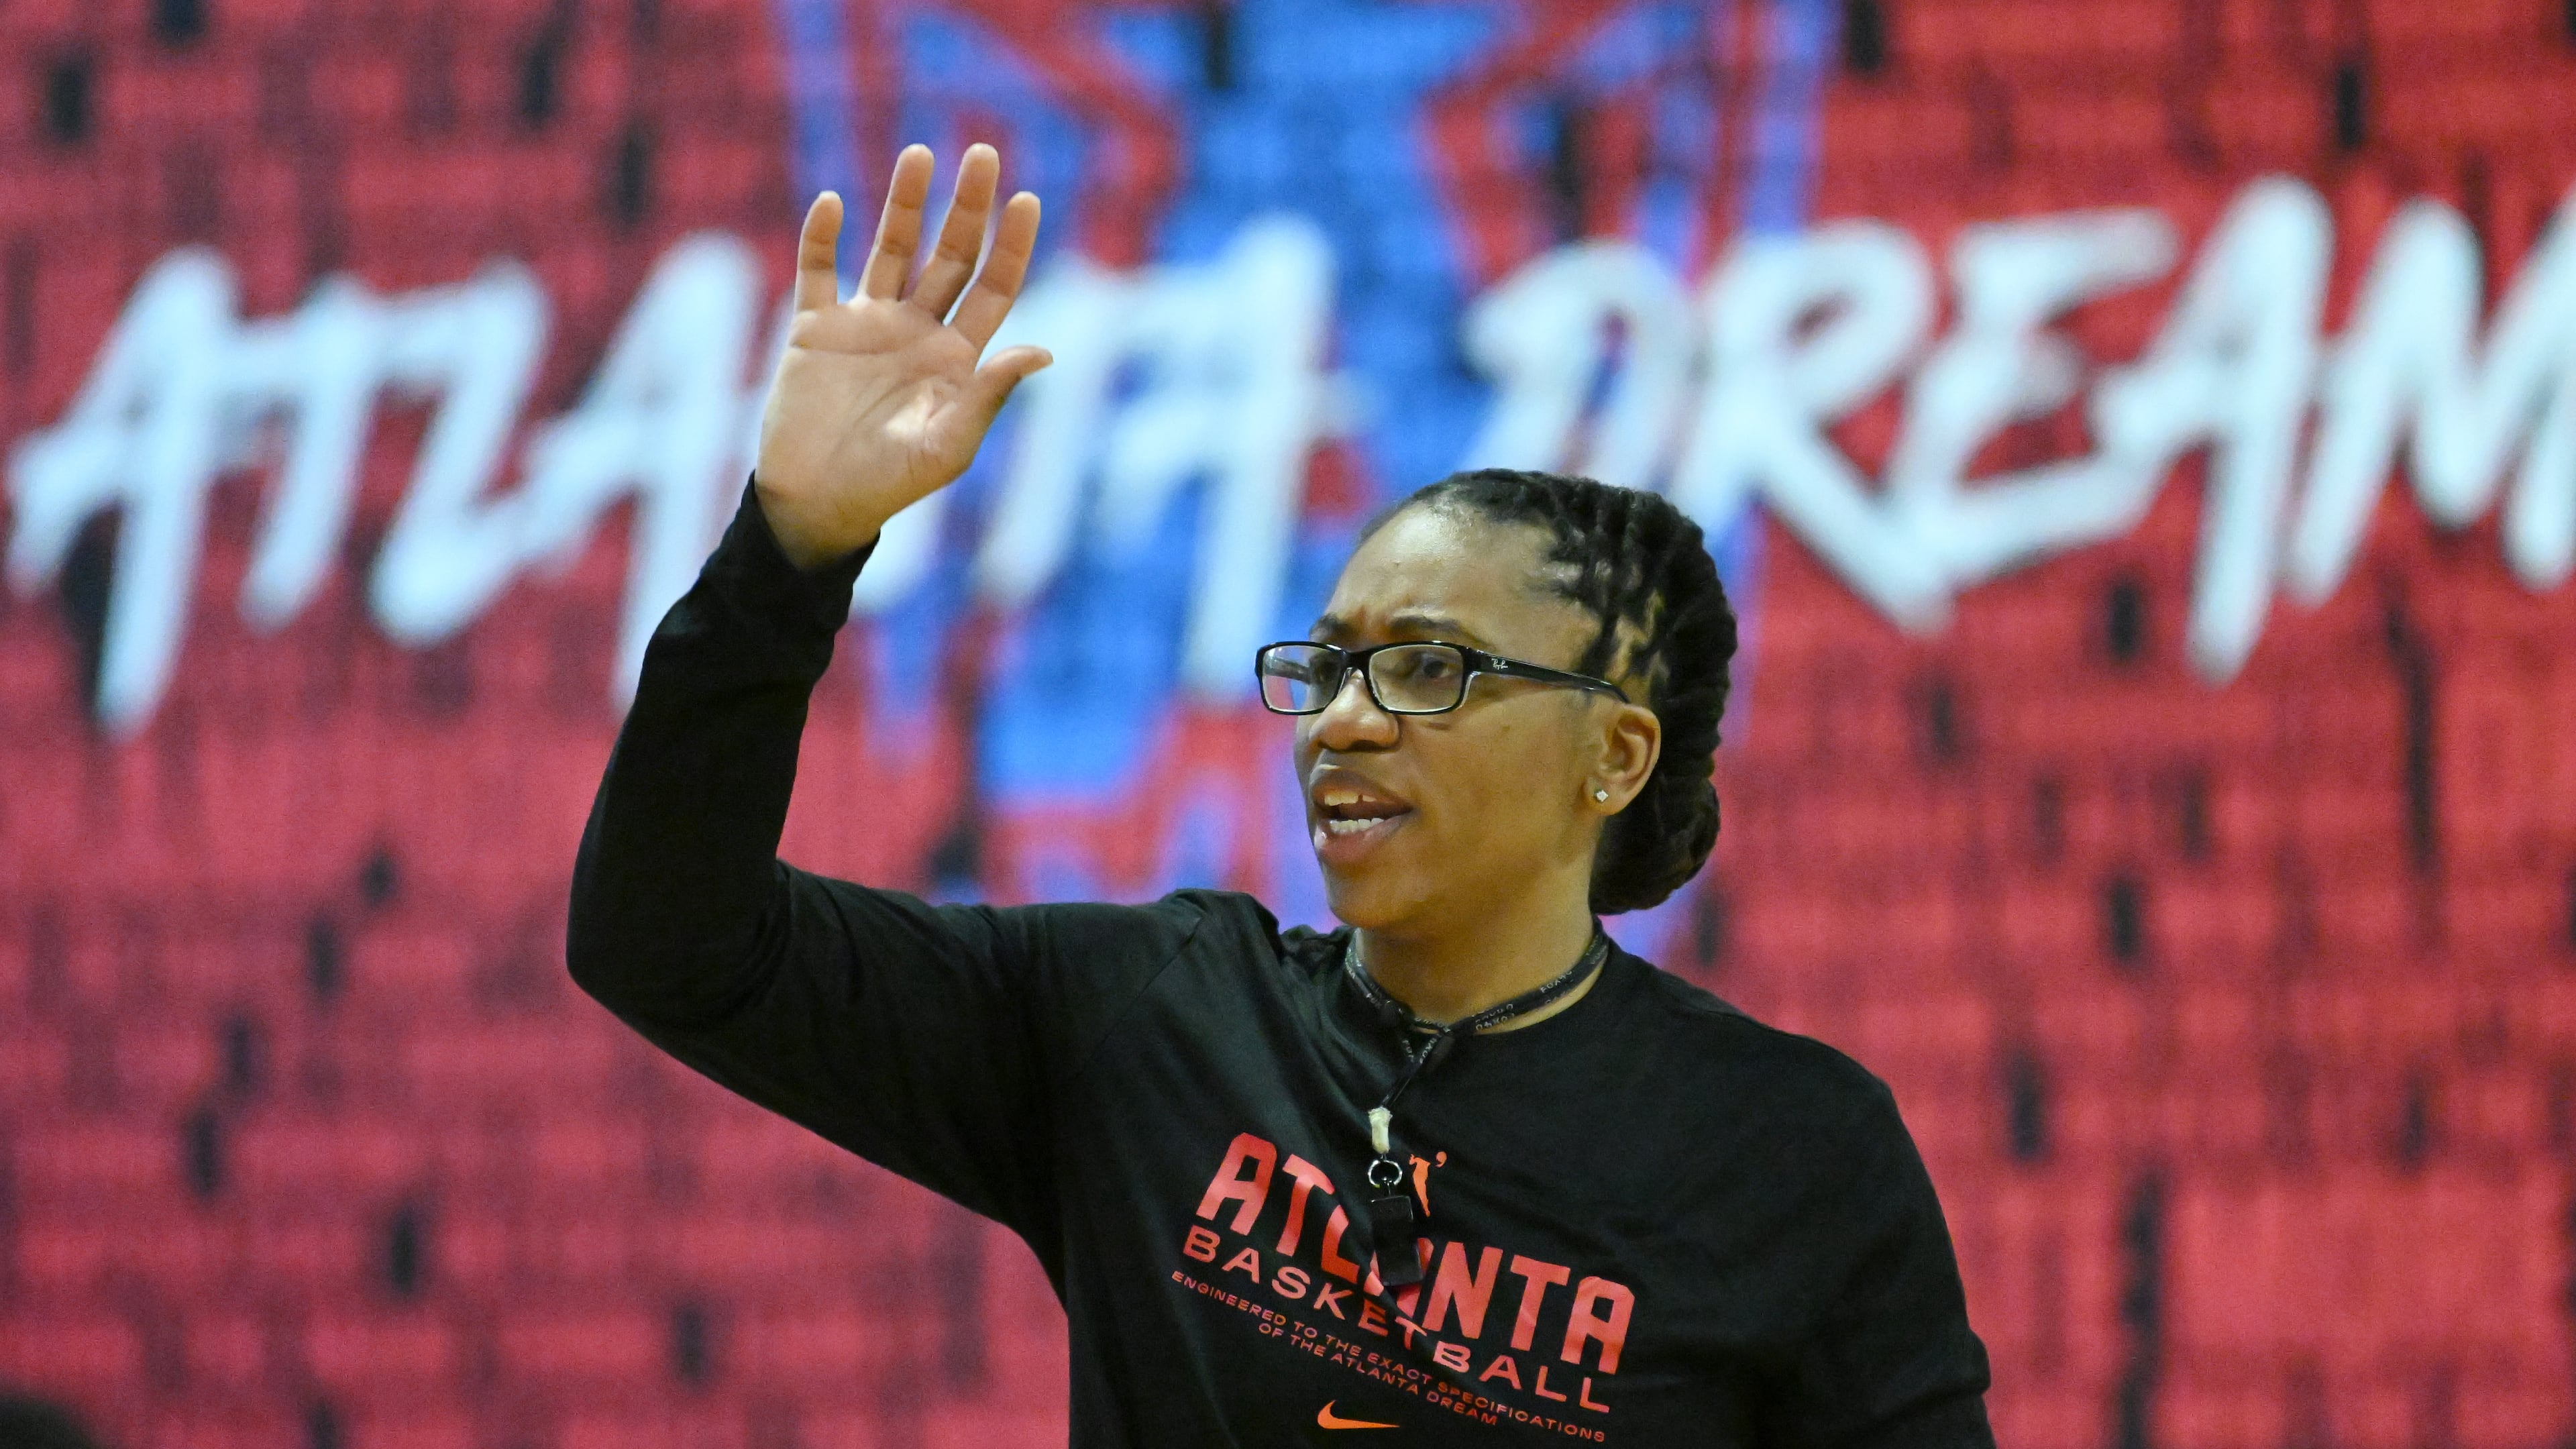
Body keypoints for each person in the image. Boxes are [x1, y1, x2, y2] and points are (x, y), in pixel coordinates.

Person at [568, 141, 1994, 1446]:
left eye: (1430, 669)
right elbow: (668, 940)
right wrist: (791, 552)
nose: (1346, 725)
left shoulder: (1792, 1148)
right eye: (1329, 670)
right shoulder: (1152, 1017)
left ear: (1611, 758)